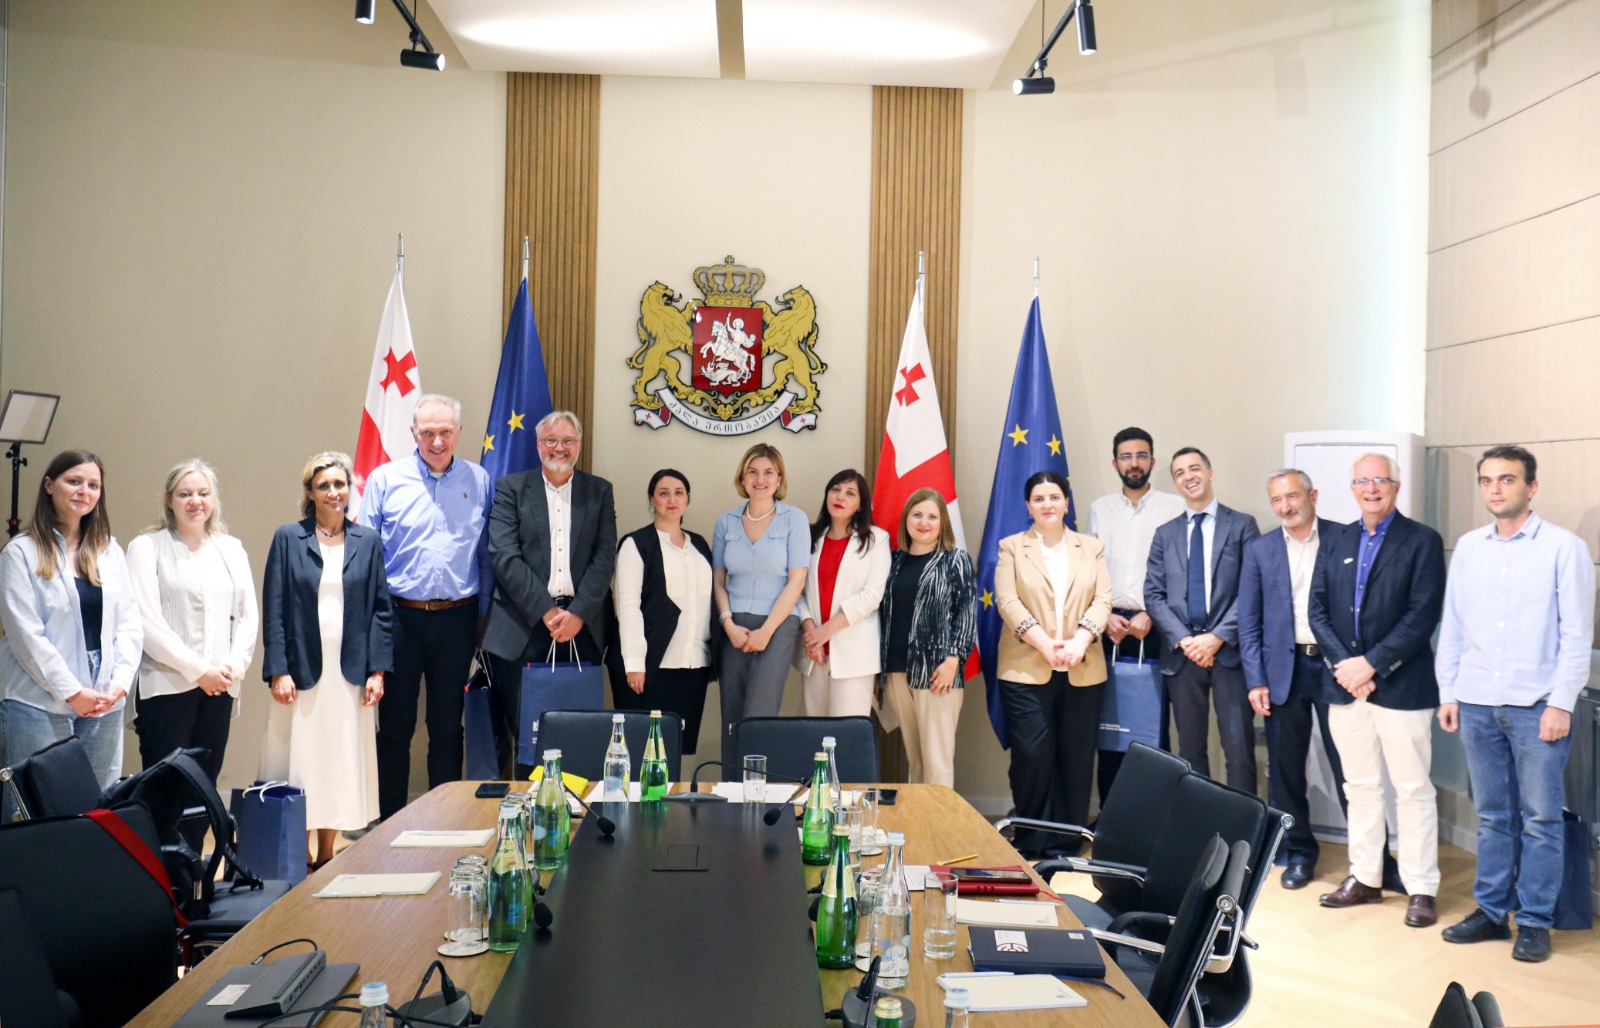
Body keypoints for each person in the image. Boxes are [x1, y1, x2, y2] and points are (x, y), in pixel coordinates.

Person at [1436, 446, 1594, 962]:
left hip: (1537, 706)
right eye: (1487, 480)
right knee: (1492, 816)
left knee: (1541, 819)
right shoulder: (1470, 548)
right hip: (1476, 702)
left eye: (1507, 479)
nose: (1495, 489)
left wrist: (1562, 703)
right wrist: (1449, 692)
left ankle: (1534, 920)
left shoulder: (1564, 548)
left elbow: (1577, 635)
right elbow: (1454, 626)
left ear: (1532, 487)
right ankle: (1490, 912)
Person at [1310, 452, 1445, 928]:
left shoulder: (1422, 541)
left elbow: (1422, 614)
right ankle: (1365, 876)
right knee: (1361, 787)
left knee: (1412, 790)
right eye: (1362, 481)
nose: (1371, 488)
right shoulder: (1337, 539)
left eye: (1380, 480)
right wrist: (1347, 667)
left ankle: (1420, 887)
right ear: (1352, 488)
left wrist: (1372, 663)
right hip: (1346, 687)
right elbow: (1317, 609)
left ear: (1395, 486)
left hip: (1402, 686)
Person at [358, 394, 493, 820]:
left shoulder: (479, 480)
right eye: (429, 432)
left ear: (459, 432)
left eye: (445, 432)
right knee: (395, 727)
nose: (437, 441)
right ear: (413, 433)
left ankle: (445, 819)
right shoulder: (385, 480)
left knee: (447, 726)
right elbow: (364, 557)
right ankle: (388, 822)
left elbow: (486, 555)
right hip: (399, 617)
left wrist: (483, 617)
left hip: (458, 619)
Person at [261, 451, 391, 869]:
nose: (333, 492)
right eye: (324, 486)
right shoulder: (288, 538)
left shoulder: (368, 540)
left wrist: (377, 671)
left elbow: (381, 611)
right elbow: (274, 608)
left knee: (337, 760)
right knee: (303, 762)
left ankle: (327, 854)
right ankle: (297, 858)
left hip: (349, 673)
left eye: (340, 484)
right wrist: (278, 670)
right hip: (300, 672)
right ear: (310, 492)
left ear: (350, 489)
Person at [125, 459, 258, 839]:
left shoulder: (231, 549)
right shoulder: (146, 547)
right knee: (165, 791)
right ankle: (160, 872)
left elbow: (248, 617)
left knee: (203, 790)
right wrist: (198, 670)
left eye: (203, 493)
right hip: (167, 688)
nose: (195, 501)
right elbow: (146, 622)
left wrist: (233, 666)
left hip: (220, 688)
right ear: (170, 500)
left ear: (214, 499)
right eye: (185, 494)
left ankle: (194, 871)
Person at [483, 411, 616, 776]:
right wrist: (546, 610)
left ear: (579, 446)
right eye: (551, 441)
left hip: (582, 629)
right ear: (538, 445)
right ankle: (529, 805)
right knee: (527, 735)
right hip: (523, 627)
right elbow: (504, 555)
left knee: (581, 733)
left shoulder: (599, 491)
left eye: (568, 441)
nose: (560, 448)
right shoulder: (511, 488)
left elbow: (605, 556)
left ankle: (579, 807)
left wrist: (578, 613)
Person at [0, 449, 141, 790]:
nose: (84, 491)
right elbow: (26, 635)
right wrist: (71, 691)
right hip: (37, 700)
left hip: (104, 698)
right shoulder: (20, 553)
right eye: (74, 481)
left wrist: (121, 682)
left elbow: (129, 624)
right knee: (39, 806)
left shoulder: (109, 551)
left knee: (96, 805)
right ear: (49, 485)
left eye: (93, 485)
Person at [993, 471, 1112, 858]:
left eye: (1054, 497)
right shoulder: (1012, 547)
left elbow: (1103, 600)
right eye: (1039, 498)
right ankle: (1031, 838)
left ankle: (1066, 841)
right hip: (1025, 668)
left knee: (1076, 757)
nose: (1047, 504)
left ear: (1066, 503)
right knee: (1032, 755)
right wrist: (1045, 645)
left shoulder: (1091, 548)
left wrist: (1079, 642)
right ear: (1028, 506)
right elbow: (1008, 602)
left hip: (1083, 666)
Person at [1237, 468, 1346, 890]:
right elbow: (1249, 622)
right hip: (1284, 670)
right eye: (1277, 500)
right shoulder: (1260, 549)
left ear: (1312, 496)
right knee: (1285, 771)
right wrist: (1255, 680)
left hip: (1337, 669)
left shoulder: (1343, 538)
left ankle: (1370, 860)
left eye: (1292, 497)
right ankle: (1300, 852)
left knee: (1352, 767)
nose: (1285, 506)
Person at [1144, 447, 1260, 791]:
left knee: (1239, 750)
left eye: (1194, 469)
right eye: (1179, 473)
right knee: (1190, 752)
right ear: (1175, 484)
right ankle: (1201, 823)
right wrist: (1185, 640)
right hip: (1183, 656)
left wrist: (1217, 636)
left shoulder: (1241, 525)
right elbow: (1153, 594)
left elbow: (1253, 590)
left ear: (1210, 473)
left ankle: (1244, 823)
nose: (1188, 477)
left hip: (1230, 652)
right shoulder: (1165, 534)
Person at [1086, 427, 1185, 800]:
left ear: (1152, 461)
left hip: (1156, 625)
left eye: (1141, 455)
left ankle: (1151, 815)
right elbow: (1091, 570)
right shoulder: (1100, 509)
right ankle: (1110, 814)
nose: (1134, 463)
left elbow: (1180, 571)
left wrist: (1153, 614)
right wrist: (1103, 617)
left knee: (1151, 727)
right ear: (1115, 463)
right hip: (1108, 626)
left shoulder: (1174, 507)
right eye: (1126, 456)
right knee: (1109, 726)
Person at [712, 443, 809, 767]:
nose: (760, 479)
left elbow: (797, 581)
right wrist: (727, 623)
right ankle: (730, 789)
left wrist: (767, 631)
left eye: (768, 472)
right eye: (752, 472)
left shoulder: (795, 519)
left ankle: (756, 790)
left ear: (779, 479)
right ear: (742, 477)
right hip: (733, 626)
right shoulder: (726, 522)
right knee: (732, 715)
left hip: (777, 624)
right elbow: (718, 581)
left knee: (760, 714)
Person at [878, 488, 976, 789]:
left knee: (937, 762)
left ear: (942, 522)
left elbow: (967, 613)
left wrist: (953, 660)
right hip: (895, 670)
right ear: (906, 519)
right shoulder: (892, 560)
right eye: (917, 514)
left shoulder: (954, 560)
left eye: (932, 516)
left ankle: (940, 820)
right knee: (916, 760)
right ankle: (920, 818)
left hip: (937, 672)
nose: (924, 522)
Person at [612, 468, 714, 751]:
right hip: (651, 667)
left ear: (687, 499)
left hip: (693, 666)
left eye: (679, 493)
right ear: (652, 500)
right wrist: (635, 665)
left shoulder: (699, 545)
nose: (672, 499)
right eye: (663, 493)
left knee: (678, 749)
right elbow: (627, 606)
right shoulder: (636, 544)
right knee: (645, 751)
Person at [799, 469, 890, 718]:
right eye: (836, 489)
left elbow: (872, 595)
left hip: (854, 655)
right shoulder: (808, 537)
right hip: (813, 654)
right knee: (814, 733)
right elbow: (796, 590)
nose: (840, 497)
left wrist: (825, 632)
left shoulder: (877, 539)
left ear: (861, 505)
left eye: (850, 493)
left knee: (846, 733)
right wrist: (812, 634)